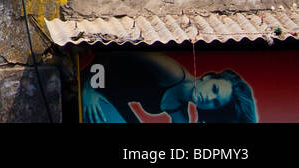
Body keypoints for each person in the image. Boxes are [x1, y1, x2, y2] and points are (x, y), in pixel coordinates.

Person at [81, 50, 257, 123]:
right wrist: (89, 88)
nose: (209, 98)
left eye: (216, 103)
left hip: (112, 100)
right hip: (92, 89)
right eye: (214, 89)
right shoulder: (171, 73)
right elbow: (114, 49)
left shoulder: (180, 111)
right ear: (208, 77)